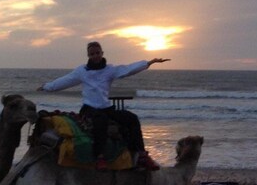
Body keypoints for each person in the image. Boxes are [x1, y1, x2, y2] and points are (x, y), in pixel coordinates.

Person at [36, 41, 169, 171]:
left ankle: (141, 155)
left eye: (97, 53)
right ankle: (99, 157)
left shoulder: (109, 70)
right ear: (88, 56)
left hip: (106, 108)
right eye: (92, 54)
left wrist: (148, 63)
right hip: (89, 109)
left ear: (102, 53)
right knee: (100, 121)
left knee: (132, 118)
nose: (95, 56)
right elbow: (65, 81)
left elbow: (127, 70)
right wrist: (47, 87)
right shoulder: (82, 71)